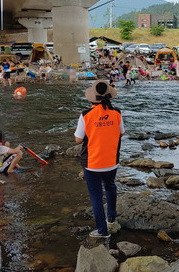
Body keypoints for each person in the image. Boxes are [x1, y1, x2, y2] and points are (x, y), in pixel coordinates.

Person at [74, 80, 124, 238]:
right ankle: (112, 217)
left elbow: (78, 140)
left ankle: (102, 231)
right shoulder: (117, 113)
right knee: (110, 187)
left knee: (96, 196)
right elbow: (121, 133)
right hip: (111, 161)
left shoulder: (86, 115)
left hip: (92, 163)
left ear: (91, 98)